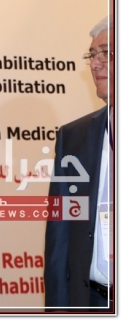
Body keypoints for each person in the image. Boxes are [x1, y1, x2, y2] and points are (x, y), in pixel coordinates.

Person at [44, 16, 114, 311]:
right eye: (92, 55)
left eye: (106, 53)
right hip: (92, 302)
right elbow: (59, 237)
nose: (96, 64)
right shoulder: (74, 136)